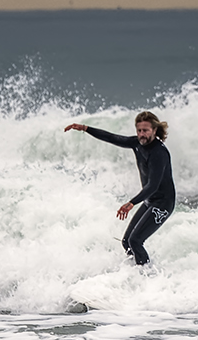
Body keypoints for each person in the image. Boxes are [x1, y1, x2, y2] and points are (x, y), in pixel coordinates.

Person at [64, 111, 175, 265]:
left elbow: (153, 185)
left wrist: (131, 203)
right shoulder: (137, 143)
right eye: (139, 130)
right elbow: (111, 137)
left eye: (146, 130)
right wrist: (85, 128)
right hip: (149, 201)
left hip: (163, 203)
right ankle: (136, 270)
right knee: (126, 242)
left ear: (154, 130)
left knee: (135, 241)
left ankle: (148, 275)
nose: (142, 134)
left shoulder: (159, 153)